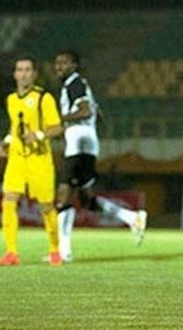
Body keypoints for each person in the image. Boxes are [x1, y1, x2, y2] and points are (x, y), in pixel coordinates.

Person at [53, 50, 147, 262]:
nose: (58, 67)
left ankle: (63, 252)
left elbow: (86, 111)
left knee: (63, 194)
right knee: (87, 200)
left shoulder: (74, 84)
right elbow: (97, 114)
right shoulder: (82, 85)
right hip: (87, 144)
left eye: (64, 63)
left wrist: (62, 119)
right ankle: (131, 217)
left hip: (78, 145)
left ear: (74, 65)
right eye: (57, 63)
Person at [0, 55, 64, 266]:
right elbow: (14, 127)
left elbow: (57, 127)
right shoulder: (11, 99)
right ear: (15, 74)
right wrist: (7, 141)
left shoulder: (44, 98)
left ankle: (54, 250)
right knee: (8, 199)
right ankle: (11, 252)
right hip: (17, 159)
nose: (23, 74)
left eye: (27, 70)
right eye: (20, 70)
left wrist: (38, 135)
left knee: (46, 206)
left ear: (34, 74)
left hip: (39, 159)